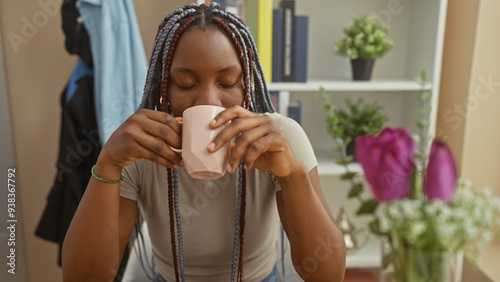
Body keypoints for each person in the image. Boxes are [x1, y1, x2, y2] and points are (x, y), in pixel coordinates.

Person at [62, 3, 346, 282]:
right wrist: (107, 165)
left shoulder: (279, 138)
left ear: (246, 84)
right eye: (185, 84)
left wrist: (293, 174)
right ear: (164, 88)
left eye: (227, 82)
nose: (209, 102)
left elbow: (328, 274)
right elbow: (82, 277)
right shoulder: (142, 147)